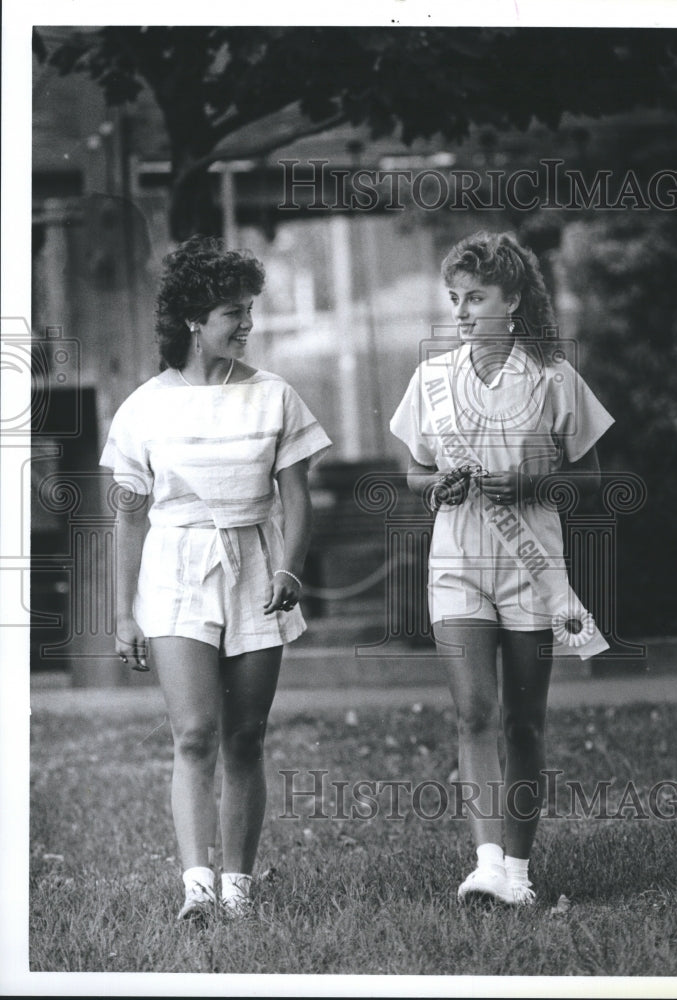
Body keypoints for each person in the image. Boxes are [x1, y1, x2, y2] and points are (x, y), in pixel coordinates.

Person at [100, 235, 331, 921]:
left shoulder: (274, 397)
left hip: (257, 569)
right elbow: (131, 520)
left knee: (244, 735)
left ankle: (238, 889)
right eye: (234, 311)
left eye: (249, 310)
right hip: (176, 574)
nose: (248, 324)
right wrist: (121, 613)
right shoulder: (144, 407)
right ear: (195, 319)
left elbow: (297, 498)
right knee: (194, 733)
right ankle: (196, 886)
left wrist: (288, 566)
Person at [390, 231, 614, 906]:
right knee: (473, 713)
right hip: (457, 561)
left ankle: (518, 871)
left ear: (513, 300)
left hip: (531, 563)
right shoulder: (431, 376)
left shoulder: (552, 376)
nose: (460, 310)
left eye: (476, 297)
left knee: (523, 721)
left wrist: (528, 482)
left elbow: (593, 479)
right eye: (454, 297)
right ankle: (487, 864)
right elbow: (412, 471)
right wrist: (436, 485)